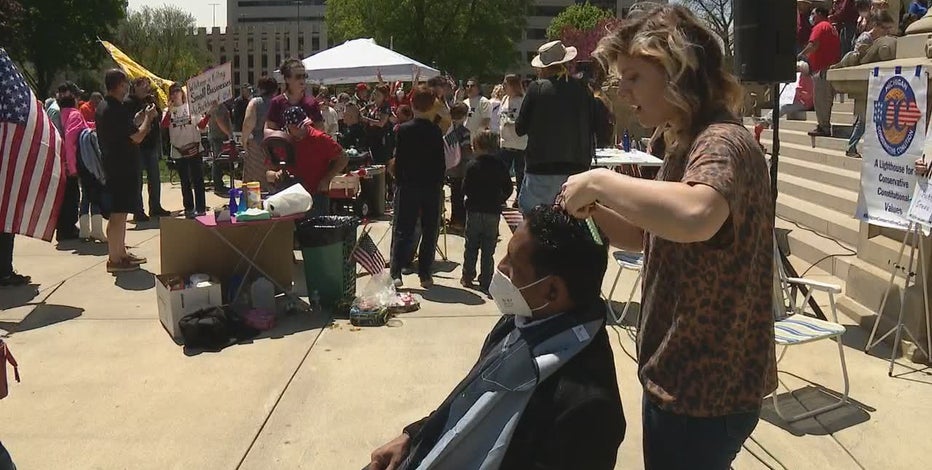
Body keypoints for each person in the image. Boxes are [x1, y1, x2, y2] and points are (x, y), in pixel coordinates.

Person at [559, 5, 775, 469]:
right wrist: (593, 215)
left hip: (704, 392)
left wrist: (601, 181)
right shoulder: (684, 142)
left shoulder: (723, 143)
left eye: (634, 76)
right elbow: (647, 234)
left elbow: (696, 215)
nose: (623, 91)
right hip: (679, 380)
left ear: (677, 72)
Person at [368, 205, 625, 470]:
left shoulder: (588, 410)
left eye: (512, 263)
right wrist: (414, 435)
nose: (500, 267)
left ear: (552, 290)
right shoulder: (520, 322)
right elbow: (470, 398)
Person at [516, 40, 595, 214]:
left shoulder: (536, 88)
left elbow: (520, 128)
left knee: (535, 224)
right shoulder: (583, 89)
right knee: (571, 223)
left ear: (542, 68)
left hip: (541, 166)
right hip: (576, 167)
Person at [96, 69, 156, 273]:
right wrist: (148, 119)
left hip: (116, 165)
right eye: (125, 85)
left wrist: (138, 119)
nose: (126, 89)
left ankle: (120, 252)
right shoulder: (115, 109)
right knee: (118, 215)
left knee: (120, 213)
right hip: (119, 168)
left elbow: (125, 129)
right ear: (119, 85)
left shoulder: (106, 107)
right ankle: (115, 258)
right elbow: (137, 137)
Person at [390, 86, 446, 289]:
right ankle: (425, 273)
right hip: (431, 185)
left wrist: (399, 181)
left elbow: (400, 159)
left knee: (403, 229)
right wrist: (440, 183)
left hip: (409, 185)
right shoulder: (435, 131)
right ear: (432, 107)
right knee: (430, 230)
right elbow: (441, 162)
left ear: (412, 104)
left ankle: (396, 272)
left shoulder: (404, 130)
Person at [268, 106, 348, 217]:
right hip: (290, 197)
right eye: (295, 127)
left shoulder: (320, 138)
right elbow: (269, 172)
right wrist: (276, 174)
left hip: (316, 195)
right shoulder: (283, 141)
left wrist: (327, 178)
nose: (301, 129)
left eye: (302, 125)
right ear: (288, 127)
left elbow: (343, 157)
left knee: (316, 230)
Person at [461, 131, 512, 293]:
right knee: (489, 247)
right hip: (493, 211)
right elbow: (508, 188)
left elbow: (465, 188)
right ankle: (486, 279)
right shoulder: (500, 166)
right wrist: (500, 199)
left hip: (474, 209)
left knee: (471, 245)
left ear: (478, 147)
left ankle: (468, 276)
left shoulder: (472, 165)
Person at [844, 10, 896, 157]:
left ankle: (854, 146)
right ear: (876, 25)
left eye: (888, 29)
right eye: (884, 28)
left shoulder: (879, 39)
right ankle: (851, 146)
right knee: (864, 119)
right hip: (866, 83)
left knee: (866, 118)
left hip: (877, 83)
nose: (887, 32)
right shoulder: (865, 39)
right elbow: (860, 60)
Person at [124, 77, 169, 221]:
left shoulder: (151, 100)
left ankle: (155, 207)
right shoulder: (129, 103)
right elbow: (130, 123)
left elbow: (159, 116)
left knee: (154, 178)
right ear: (135, 87)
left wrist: (156, 114)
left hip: (151, 145)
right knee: (137, 180)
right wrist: (144, 116)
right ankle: (138, 210)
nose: (146, 88)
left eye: (147, 86)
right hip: (137, 146)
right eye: (143, 85)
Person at [162, 83, 207, 219]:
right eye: (172, 92)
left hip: (194, 148)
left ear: (182, 93)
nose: (175, 94)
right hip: (179, 151)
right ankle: (189, 207)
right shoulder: (167, 111)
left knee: (198, 179)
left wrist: (209, 114)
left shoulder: (192, 108)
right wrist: (169, 111)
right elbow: (163, 125)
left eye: (177, 91)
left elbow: (201, 125)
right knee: (185, 181)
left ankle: (201, 208)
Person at [801, 5, 842, 138]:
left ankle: (823, 127)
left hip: (823, 70)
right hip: (830, 68)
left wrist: (800, 55)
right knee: (825, 100)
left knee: (821, 99)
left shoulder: (820, 27)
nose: (811, 17)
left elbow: (814, 45)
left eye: (813, 14)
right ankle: (823, 125)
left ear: (819, 13)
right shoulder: (831, 28)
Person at [754, 61, 815, 142]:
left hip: (803, 103)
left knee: (784, 107)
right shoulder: (796, 78)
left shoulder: (809, 79)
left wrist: (799, 92)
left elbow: (809, 96)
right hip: (793, 100)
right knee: (780, 105)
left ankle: (764, 121)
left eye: (797, 69)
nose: (796, 71)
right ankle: (765, 121)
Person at [52, 82, 83, 242]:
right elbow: (70, 141)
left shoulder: (58, 114)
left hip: (58, 163)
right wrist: (72, 168)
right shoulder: (75, 115)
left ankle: (63, 228)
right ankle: (68, 229)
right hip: (68, 164)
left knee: (63, 198)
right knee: (72, 198)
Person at [266, 58, 325, 133]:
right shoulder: (277, 102)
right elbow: (270, 130)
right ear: (287, 79)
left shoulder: (312, 103)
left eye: (304, 76)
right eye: (298, 77)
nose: (302, 80)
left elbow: (320, 129)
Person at [241, 76, 277, 190]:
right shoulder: (279, 102)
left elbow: (248, 123)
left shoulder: (255, 102)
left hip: (257, 143)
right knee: (272, 177)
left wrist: (244, 141)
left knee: (254, 179)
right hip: (276, 144)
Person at [499, 74, 528, 208]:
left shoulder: (522, 100)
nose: (504, 87)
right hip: (505, 142)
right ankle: (502, 197)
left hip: (520, 144)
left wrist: (513, 122)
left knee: (520, 173)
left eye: (506, 84)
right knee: (503, 173)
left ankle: (519, 199)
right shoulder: (504, 99)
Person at [446, 103, 473, 232]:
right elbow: (466, 150)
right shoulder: (464, 132)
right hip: (462, 168)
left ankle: (454, 220)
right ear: (464, 116)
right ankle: (460, 221)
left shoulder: (448, 130)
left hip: (450, 168)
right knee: (461, 196)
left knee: (454, 195)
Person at [207, 101, 233, 195]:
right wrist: (229, 133)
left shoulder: (221, 106)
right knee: (218, 161)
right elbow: (219, 121)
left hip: (218, 136)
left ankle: (219, 184)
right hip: (218, 137)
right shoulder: (217, 106)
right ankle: (218, 186)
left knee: (218, 162)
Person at [363, 84, 393, 164]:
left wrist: (366, 120)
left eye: (378, 95)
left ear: (384, 97)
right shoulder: (372, 106)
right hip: (371, 137)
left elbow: (381, 123)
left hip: (381, 139)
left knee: (382, 161)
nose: (375, 96)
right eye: (375, 94)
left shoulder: (385, 107)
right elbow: (360, 111)